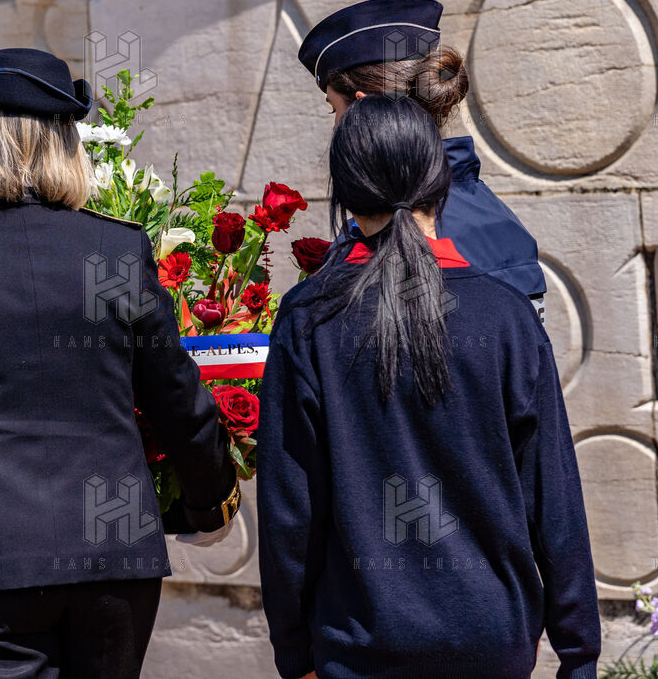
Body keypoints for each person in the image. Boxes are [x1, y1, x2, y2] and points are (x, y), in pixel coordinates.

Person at [0, 47, 241, 679]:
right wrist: (210, 501)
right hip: (111, 553)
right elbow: (176, 398)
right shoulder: (116, 248)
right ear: (66, 147)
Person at [256, 95, 600, 679]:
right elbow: (555, 499)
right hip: (493, 641)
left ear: (347, 193)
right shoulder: (505, 316)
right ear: (440, 183)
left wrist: (293, 652)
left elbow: (289, 511)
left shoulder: (309, 319)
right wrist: (579, 654)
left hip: (359, 643)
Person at [298, 0, 547, 320]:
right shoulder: (499, 218)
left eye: (334, 109)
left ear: (364, 108)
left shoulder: (383, 231)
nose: (335, 126)